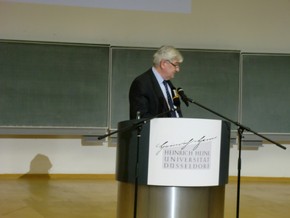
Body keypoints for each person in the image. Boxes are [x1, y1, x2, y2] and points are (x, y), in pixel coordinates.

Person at [129, 45, 184, 119]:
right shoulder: (142, 83)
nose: (178, 70)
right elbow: (141, 118)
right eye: (175, 65)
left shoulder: (170, 86)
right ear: (163, 64)